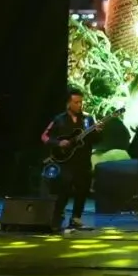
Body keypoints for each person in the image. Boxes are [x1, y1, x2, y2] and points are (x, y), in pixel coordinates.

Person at [41, 88, 100, 229]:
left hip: (83, 161)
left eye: (81, 102)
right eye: (76, 102)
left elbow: (95, 140)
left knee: (83, 190)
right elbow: (44, 136)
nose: (80, 105)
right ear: (68, 103)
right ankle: (57, 217)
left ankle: (76, 218)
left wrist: (97, 132)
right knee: (63, 191)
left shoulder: (88, 119)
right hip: (66, 162)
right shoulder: (59, 119)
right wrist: (58, 143)